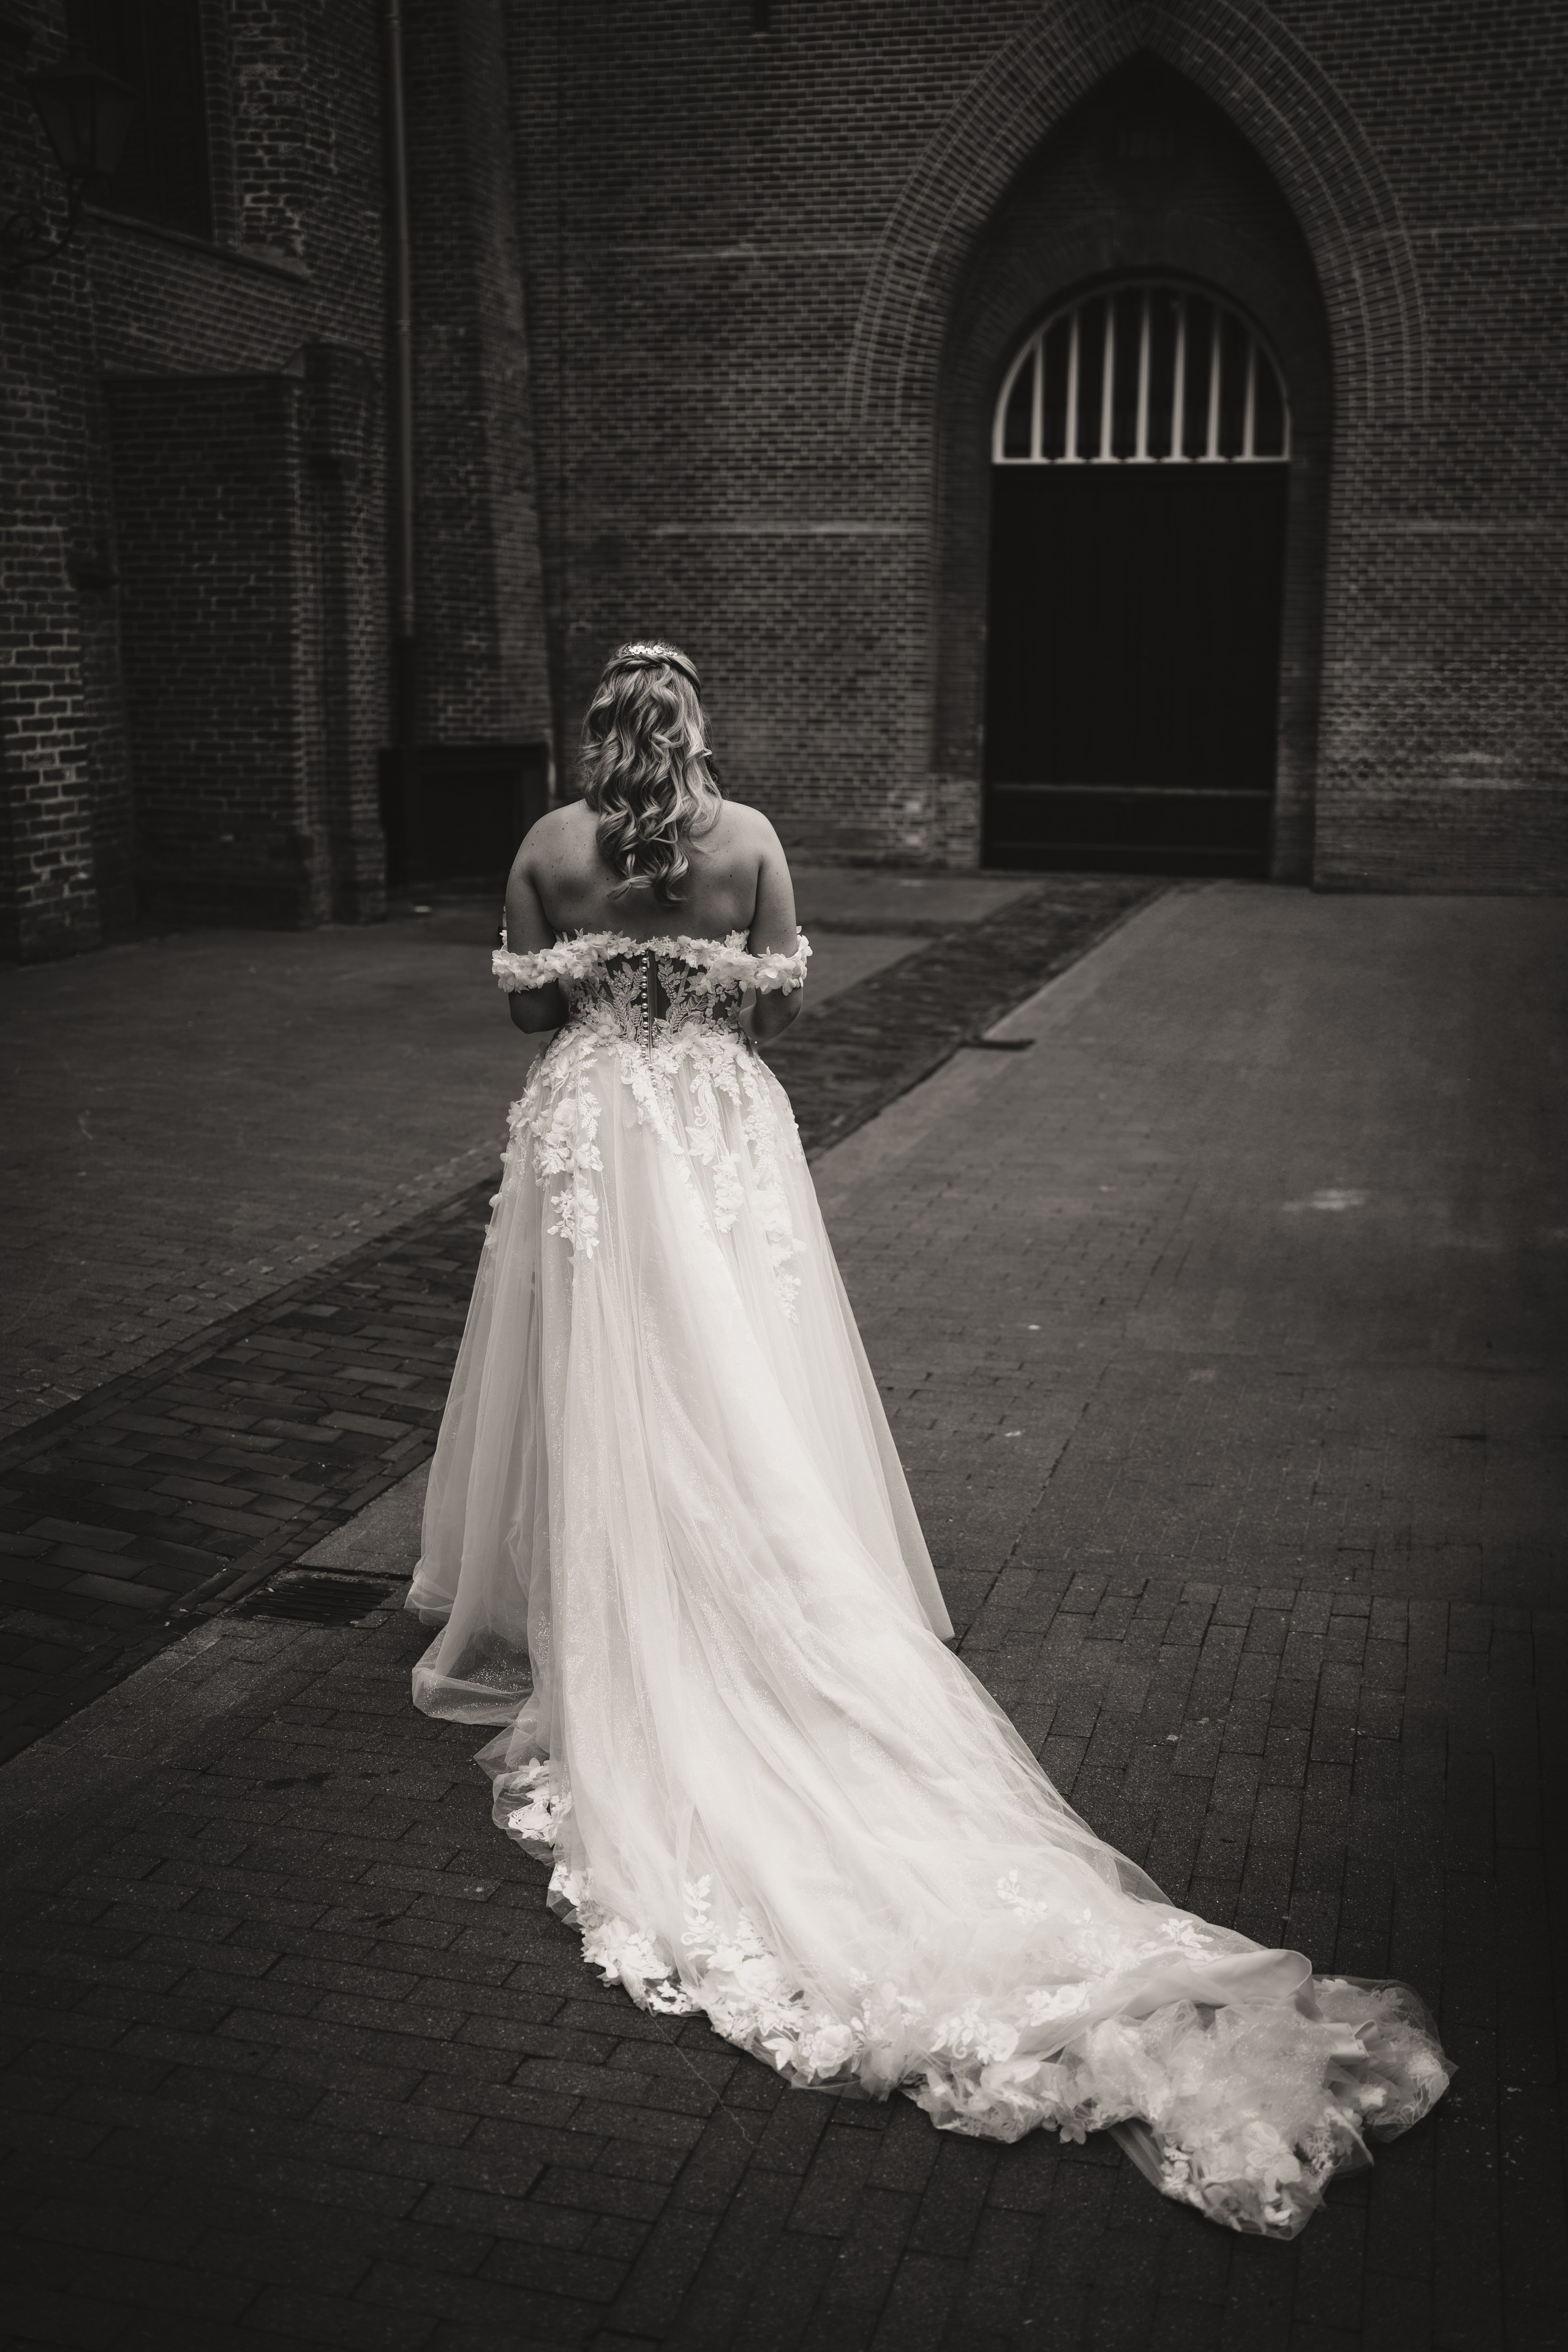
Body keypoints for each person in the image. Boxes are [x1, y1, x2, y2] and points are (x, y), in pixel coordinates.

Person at [408, 639, 1450, 2237]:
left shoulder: (549, 845)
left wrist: (602, 993)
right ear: (695, 729)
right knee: (739, 1372)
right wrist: (704, 996)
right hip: (717, 1125)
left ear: (598, 732)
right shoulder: (748, 840)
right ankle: (746, 1572)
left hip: (597, 1130)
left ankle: (623, 1594)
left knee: (604, 1374)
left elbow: (509, 1000)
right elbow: (795, 988)